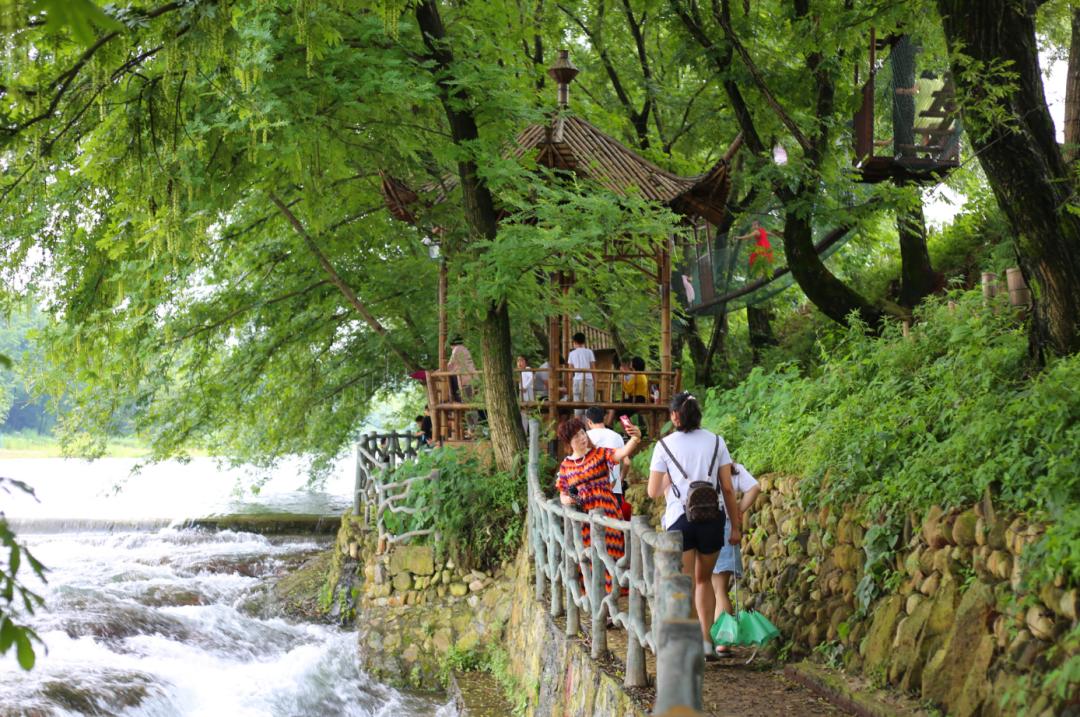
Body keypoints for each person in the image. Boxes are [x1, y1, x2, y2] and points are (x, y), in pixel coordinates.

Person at [648, 392, 740, 660]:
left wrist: (673, 478)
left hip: (681, 520)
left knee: (686, 582)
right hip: (713, 519)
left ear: (675, 416)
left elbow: (653, 491)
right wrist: (735, 527)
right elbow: (727, 488)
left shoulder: (664, 446)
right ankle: (707, 641)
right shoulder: (716, 441)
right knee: (704, 581)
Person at [555, 416, 641, 592]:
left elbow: (622, 453)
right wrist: (567, 500)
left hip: (607, 512)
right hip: (585, 517)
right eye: (576, 436)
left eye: (582, 433)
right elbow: (562, 492)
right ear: (568, 442)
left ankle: (612, 599)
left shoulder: (600, 453)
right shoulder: (566, 465)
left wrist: (635, 438)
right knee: (590, 556)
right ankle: (597, 599)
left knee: (611, 554)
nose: (582, 437)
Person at [711, 462, 761, 655]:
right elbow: (754, 487)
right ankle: (722, 641)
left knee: (702, 587)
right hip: (724, 524)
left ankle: (704, 640)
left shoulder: (697, 463)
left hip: (696, 522)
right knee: (720, 590)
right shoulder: (732, 468)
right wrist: (738, 510)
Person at [584, 406, 628, 508]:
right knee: (614, 522)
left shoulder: (584, 437)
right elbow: (627, 462)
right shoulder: (617, 437)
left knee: (591, 521)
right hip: (614, 488)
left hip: (591, 489)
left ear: (589, 421)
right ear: (604, 418)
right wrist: (621, 480)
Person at [567, 332, 596, 417]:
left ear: (574, 342)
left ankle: (578, 429)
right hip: (588, 380)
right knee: (589, 408)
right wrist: (595, 382)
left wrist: (570, 383)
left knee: (577, 409)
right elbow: (593, 369)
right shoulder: (589, 352)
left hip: (576, 381)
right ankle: (589, 429)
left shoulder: (571, 354)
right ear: (584, 342)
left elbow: (570, 372)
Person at [517, 355, 534, 432]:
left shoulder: (528, 369)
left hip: (528, 394)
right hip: (522, 395)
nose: (519, 363)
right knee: (523, 414)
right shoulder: (520, 371)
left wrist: (525, 387)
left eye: (521, 361)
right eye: (518, 361)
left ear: (525, 362)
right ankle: (524, 431)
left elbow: (531, 378)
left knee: (529, 413)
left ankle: (530, 431)